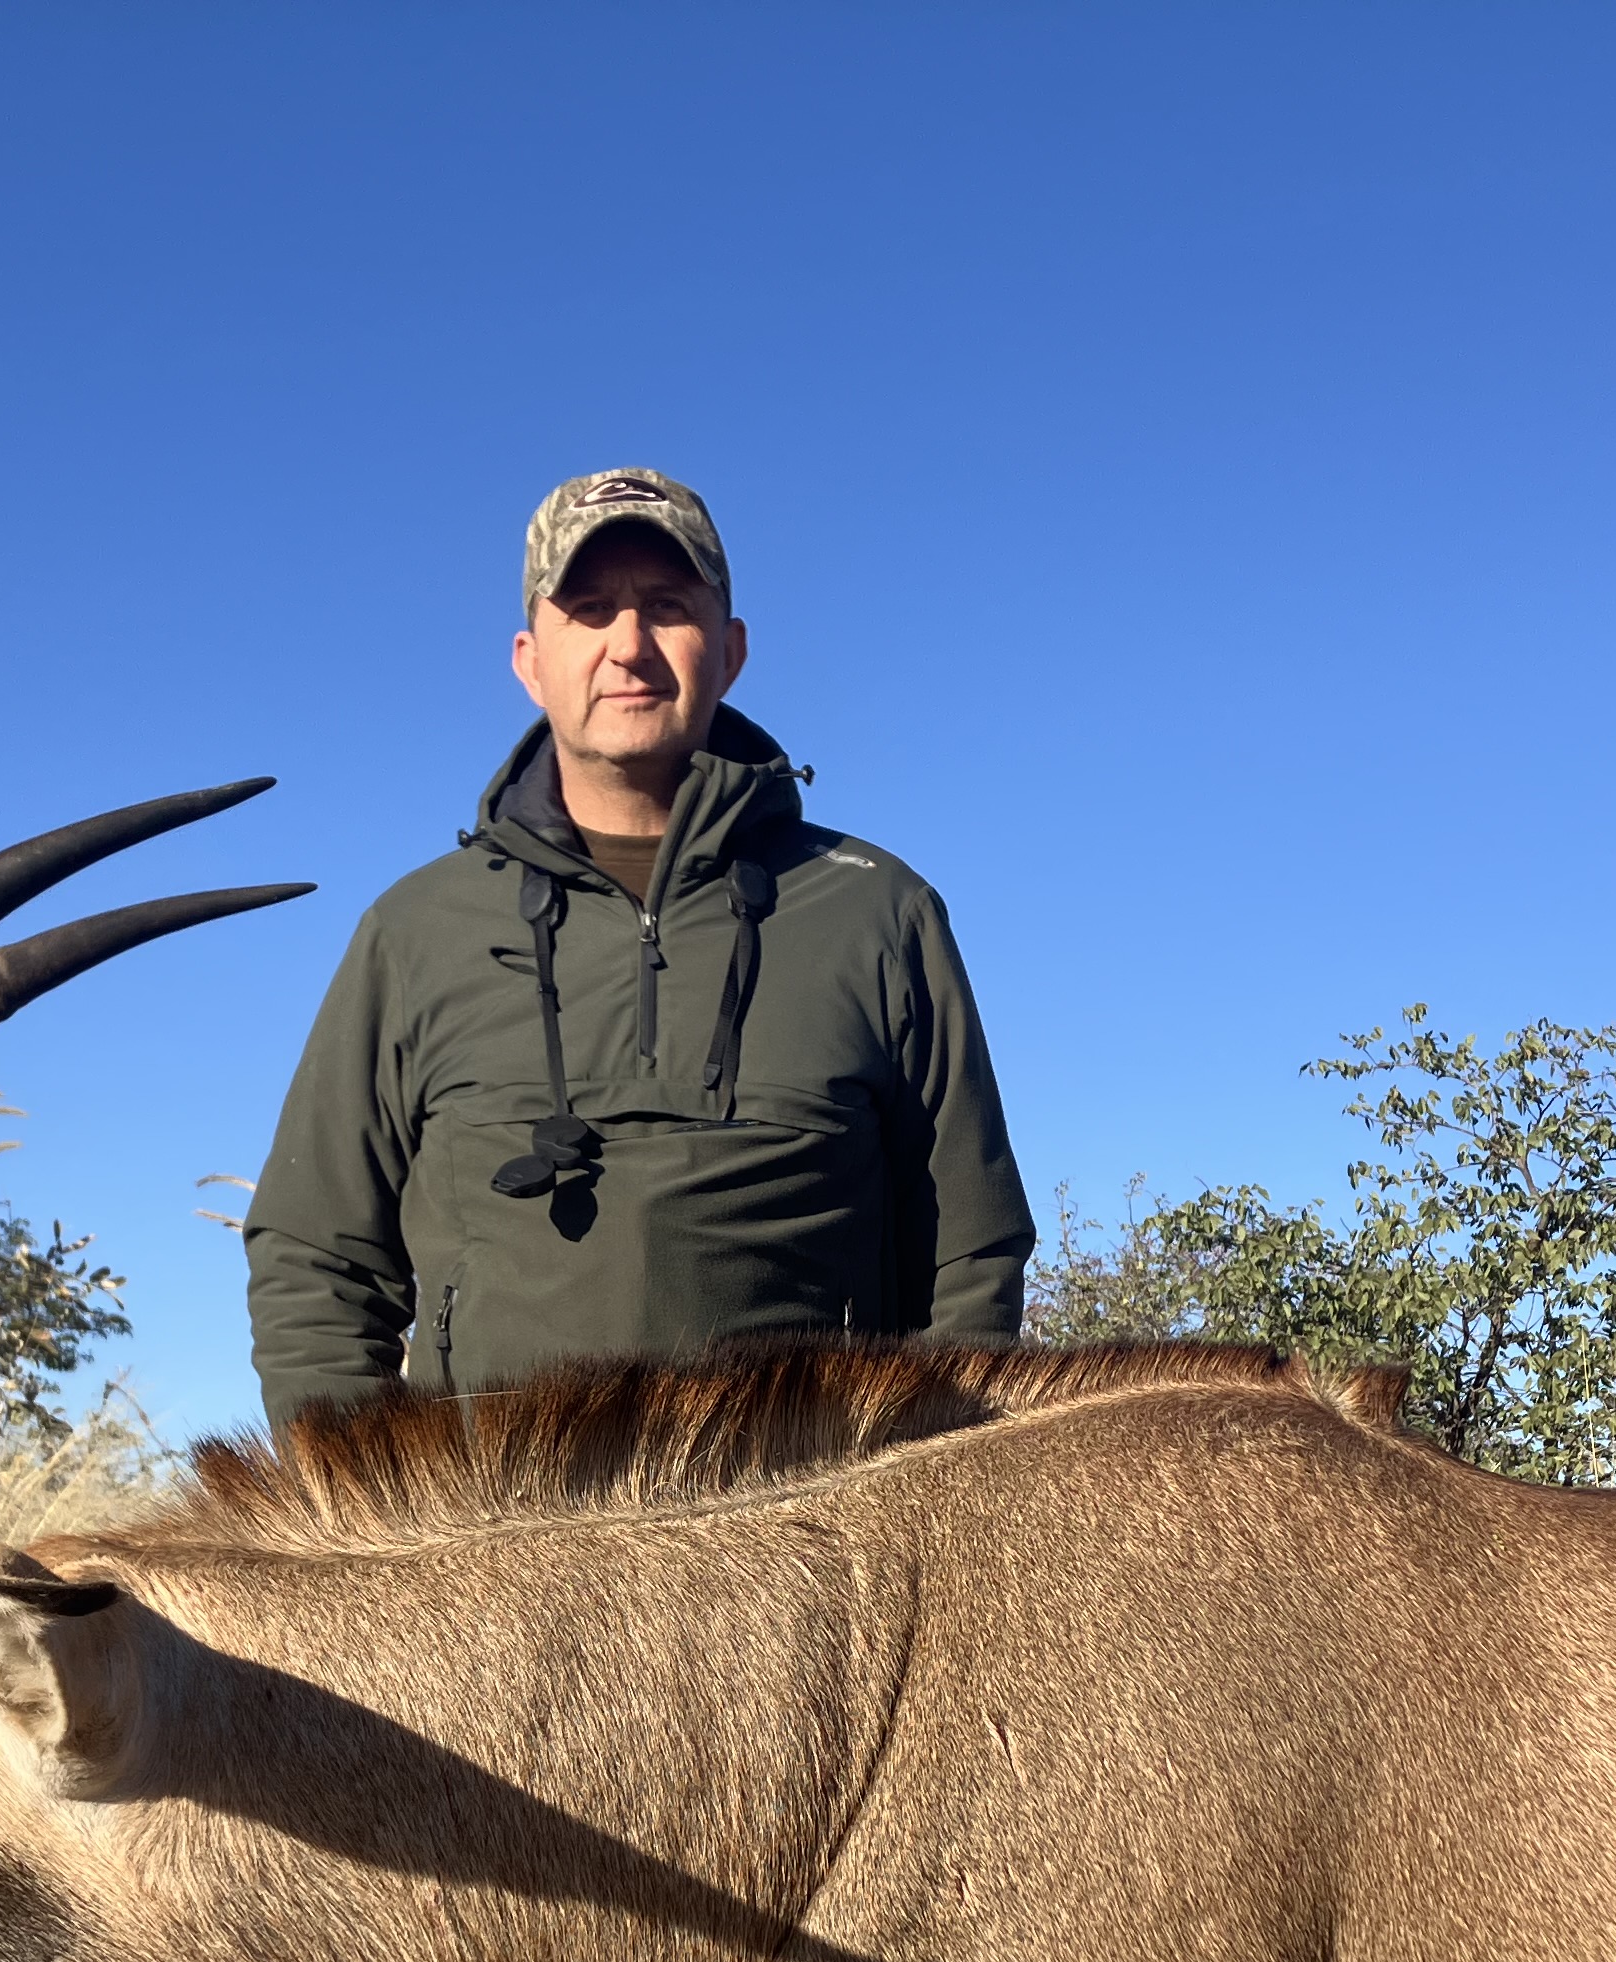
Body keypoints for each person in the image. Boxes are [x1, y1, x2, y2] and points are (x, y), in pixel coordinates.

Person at [243, 467, 1034, 1428]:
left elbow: (971, 1255)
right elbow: (316, 1261)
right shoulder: (412, 932)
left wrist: (918, 1511)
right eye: (590, 609)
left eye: (668, 606)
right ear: (530, 660)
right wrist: (367, 1535)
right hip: (493, 1547)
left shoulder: (878, 911)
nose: (629, 646)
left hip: (810, 1545)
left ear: (730, 650)